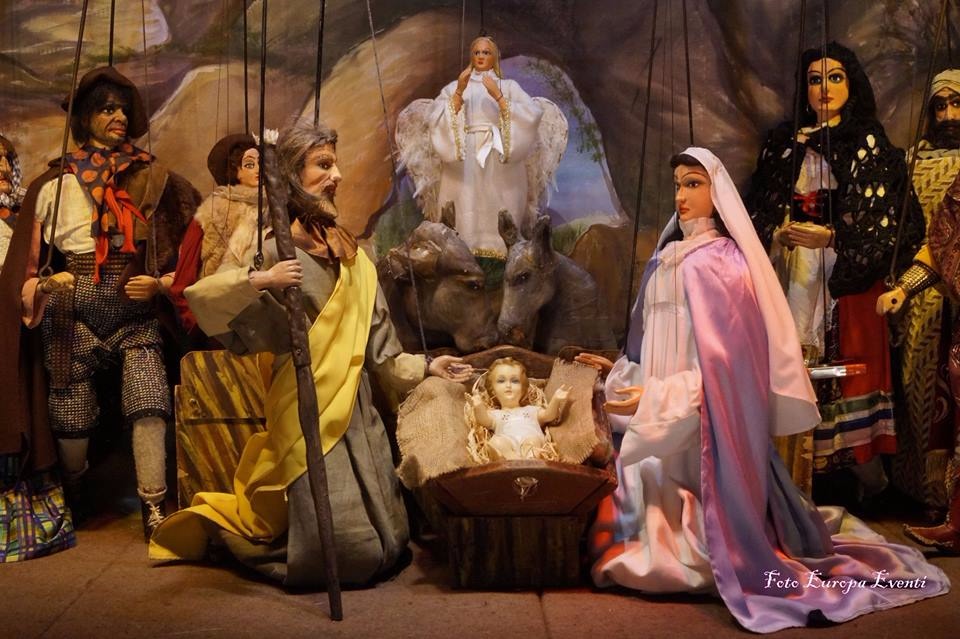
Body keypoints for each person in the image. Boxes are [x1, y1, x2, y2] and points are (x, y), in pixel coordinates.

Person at [579, 148, 947, 633]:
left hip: (703, 425)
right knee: (634, 511)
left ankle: (720, 544)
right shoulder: (664, 259)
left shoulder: (724, 264)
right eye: (678, 185)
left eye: (693, 183)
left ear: (717, 192)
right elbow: (646, 344)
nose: (682, 195)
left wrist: (662, 396)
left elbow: (730, 369)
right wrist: (625, 374)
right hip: (660, 421)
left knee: (689, 535)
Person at [149, 120, 471, 588]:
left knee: (390, 543)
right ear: (291, 175)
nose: (337, 175)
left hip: (355, 408)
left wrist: (427, 365)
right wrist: (263, 279)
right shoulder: (273, 251)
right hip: (305, 405)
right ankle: (242, 542)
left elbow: (381, 350)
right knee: (348, 552)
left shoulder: (353, 256)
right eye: (323, 165)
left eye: (335, 164)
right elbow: (207, 300)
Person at [0, 67, 200, 540]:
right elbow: (27, 266)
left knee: (149, 400)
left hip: (134, 311)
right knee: (70, 412)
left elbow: (190, 255)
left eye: (123, 109)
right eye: (107, 108)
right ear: (86, 117)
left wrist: (160, 284)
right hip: (71, 312)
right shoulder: (54, 185)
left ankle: (153, 504)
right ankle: (74, 489)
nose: (118, 117)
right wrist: (46, 285)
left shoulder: (156, 179)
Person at [745, 42, 925, 500]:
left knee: (849, 372)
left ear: (852, 84)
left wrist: (832, 238)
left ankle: (868, 481)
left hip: (847, 278)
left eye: (835, 77)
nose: (824, 88)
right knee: (789, 362)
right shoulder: (783, 144)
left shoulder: (868, 143)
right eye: (815, 79)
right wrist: (779, 232)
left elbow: (892, 224)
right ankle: (792, 479)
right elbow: (758, 207)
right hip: (790, 271)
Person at [876, 69, 960, 518]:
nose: (948, 114)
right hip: (921, 293)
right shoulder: (912, 161)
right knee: (917, 392)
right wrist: (904, 287)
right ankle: (924, 492)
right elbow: (919, 234)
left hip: (955, 295)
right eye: (940, 106)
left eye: (957, 104)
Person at [0, 134, 76, 561]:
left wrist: (43, 286)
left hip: (17, 332)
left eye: (4, 159)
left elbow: (26, 277)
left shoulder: (22, 220)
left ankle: (23, 525)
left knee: (22, 414)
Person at [429, 36, 545, 258]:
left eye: (486, 52)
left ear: (494, 57)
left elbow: (532, 113)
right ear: (471, 56)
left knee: (499, 198)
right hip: (466, 156)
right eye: (477, 52)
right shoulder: (455, 86)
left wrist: (499, 96)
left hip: (497, 151)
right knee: (467, 198)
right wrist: (459, 92)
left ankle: (501, 248)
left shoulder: (508, 86)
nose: (481, 57)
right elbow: (435, 116)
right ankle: (465, 247)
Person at [163, 133, 265, 336]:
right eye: (249, 165)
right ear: (233, 170)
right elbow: (184, 277)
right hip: (220, 317)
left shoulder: (274, 210)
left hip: (264, 315)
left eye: (261, 163)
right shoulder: (211, 213)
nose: (259, 170)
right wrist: (198, 321)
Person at [470, 356, 570, 460]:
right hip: (507, 441)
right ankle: (512, 460)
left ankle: (529, 460)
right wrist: (478, 406)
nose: (508, 385)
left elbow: (548, 415)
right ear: (492, 390)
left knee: (533, 442)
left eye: (514, 381)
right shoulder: (495, 414)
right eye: (501, 381)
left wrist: (556, 399)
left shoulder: (531, 410)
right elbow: (484, 420)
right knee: (495, 442)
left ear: (523, 388)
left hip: (530, 440)